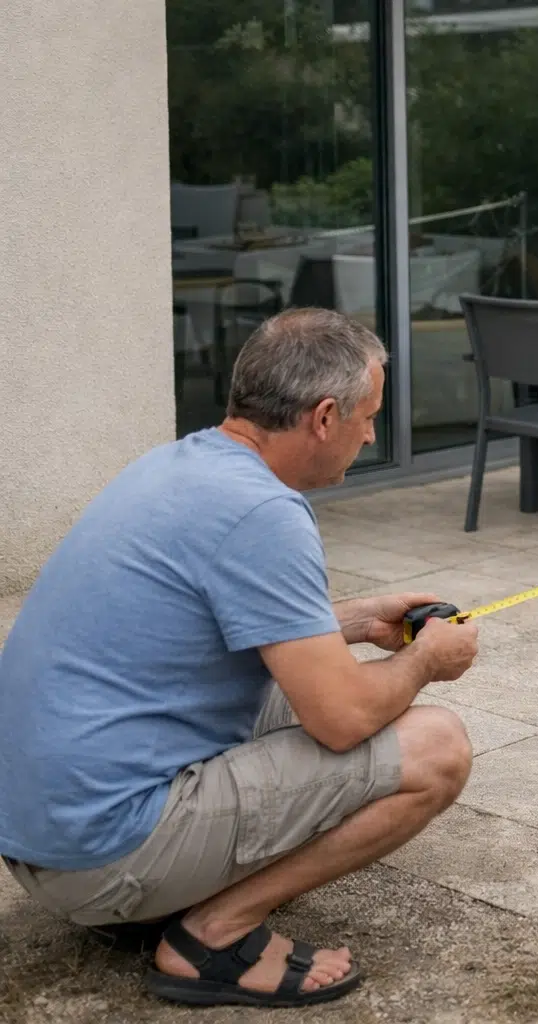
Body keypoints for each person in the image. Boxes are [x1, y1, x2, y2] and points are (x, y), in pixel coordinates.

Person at [0, 308, 481, 1007]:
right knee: (436, 747)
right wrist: (427, 659)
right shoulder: (263, 513)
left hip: (43, 832)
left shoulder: (182, 465)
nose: (372, 435)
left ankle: (167, 890)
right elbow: (343, 720)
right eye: (369, 417)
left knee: (293, 688)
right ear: (324, 417)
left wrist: (353, 620)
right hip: (99, 854)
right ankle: (211, 937)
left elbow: (207, 625)